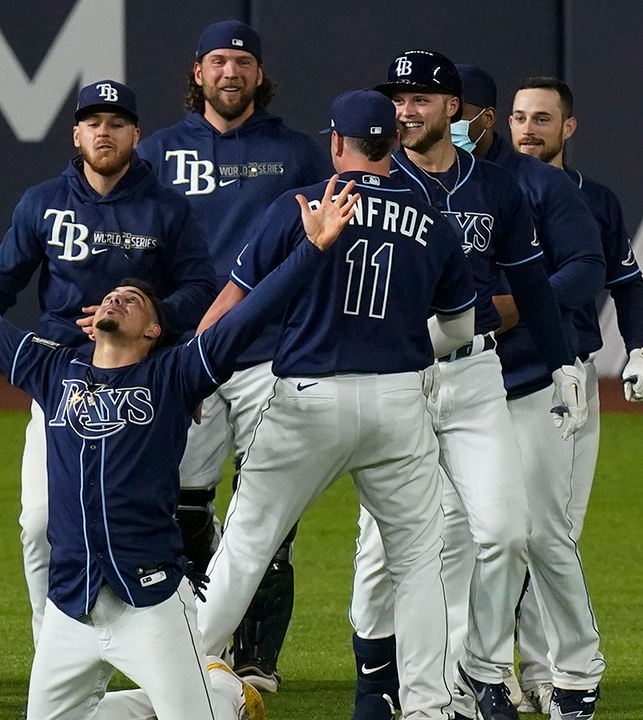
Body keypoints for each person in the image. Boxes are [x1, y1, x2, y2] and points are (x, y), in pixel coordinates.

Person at [0, 173, 359, 719]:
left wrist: (311, 250)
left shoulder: (176, 375)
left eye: (135, 299)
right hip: (72, 605)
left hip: (148, 601)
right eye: (112, 295)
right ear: (92, 319)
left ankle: (224, 698)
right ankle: (205, 691)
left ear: (153, 331)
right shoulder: (52, 370)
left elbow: (251, 314)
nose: (119, 296)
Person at [185, 87, 483, 720]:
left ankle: (180, 681)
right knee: (417, 562)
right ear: (394, 143)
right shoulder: (434, 219)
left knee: (244, 546)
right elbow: (459, 330)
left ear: (336, 143)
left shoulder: (298, 207)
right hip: (397, 403)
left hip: (306, 399)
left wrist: (189, 378)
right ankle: (428, 706)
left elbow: (229, 309)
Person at [0, 79, 217, 644]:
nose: (105, 131)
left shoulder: (167, 208)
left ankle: (178, 640)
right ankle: (52, 637)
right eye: (94, 122)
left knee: (150, 521)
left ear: (136, 135)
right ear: (77, 134)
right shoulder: (43, 202)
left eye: (117, 122)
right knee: (39, 524)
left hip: (142, 381)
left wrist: (156, 326)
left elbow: (202, 286)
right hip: (62, 379)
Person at [347, 50, 589, 720]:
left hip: (476, 372)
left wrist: (564, 360)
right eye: (397, 99)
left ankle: (479, 670)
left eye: (420, 98)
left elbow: (532, 285)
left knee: (507, 532)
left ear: (453, 108)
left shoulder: (497, 188)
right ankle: (375, 682)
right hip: (396, 375)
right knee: (380, 547)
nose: (405, 110)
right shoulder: (372, 181)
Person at [136, 19, 332, 692]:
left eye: (242, 63)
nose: (230, 73)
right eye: (218, 61)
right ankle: (192, 636)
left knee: (271, 508)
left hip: (268, 355)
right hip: (186, 353)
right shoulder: (156, 153)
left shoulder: (300, 155)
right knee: (179, 504)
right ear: (197, 73)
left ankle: (254, 658)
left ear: (258, 75)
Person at [506, 75, 643, 718]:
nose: (528, 129)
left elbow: (626, 283)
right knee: (493, 532)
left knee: (553, 530)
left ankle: (545, 670)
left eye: (543, 119)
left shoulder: (594, 200)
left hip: (567, 382)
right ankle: (489, 670)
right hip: (490, 379)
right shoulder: (482, 194)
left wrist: (641, 349)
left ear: (568, 128)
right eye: (519, 117)